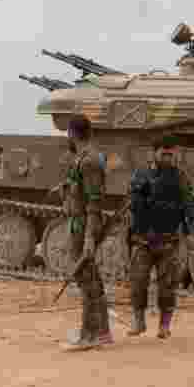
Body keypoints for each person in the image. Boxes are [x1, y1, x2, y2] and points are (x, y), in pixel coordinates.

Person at [127, 134, 194, 339]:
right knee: (138, 282)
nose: (168, 158)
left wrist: (189, 232)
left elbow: (188, 206)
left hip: (168, 241)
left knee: (167, 287)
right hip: (143, 240)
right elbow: (132, 206)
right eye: (164, 154)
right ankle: (138, 321)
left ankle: (164, 326)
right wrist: (140, 193)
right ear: (154, 153)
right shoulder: (140, 175)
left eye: (171, 154)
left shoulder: (181, 178)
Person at [59, 115, 113, 352]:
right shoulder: (85, 158)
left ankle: (90, 334)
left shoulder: (89, 161)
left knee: (85, 278)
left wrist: (90, 237)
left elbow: (94, 202)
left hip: (84, 226)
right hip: (80, 223)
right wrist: (66, 189)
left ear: (71, 133)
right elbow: (83, 190)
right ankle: (102, 332)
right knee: (91, 278)